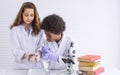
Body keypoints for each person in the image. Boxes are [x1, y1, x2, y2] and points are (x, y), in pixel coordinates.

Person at [10, 2, 44, 69]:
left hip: (36, 66)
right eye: (26, 15)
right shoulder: (15, 30)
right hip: (20, 66)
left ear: (35, 16)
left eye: (31, 15)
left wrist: (37, 56)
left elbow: (41, 47)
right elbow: (15, 50)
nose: (29, 18)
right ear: (21, 14)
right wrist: (27, 56)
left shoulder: (40, 30)